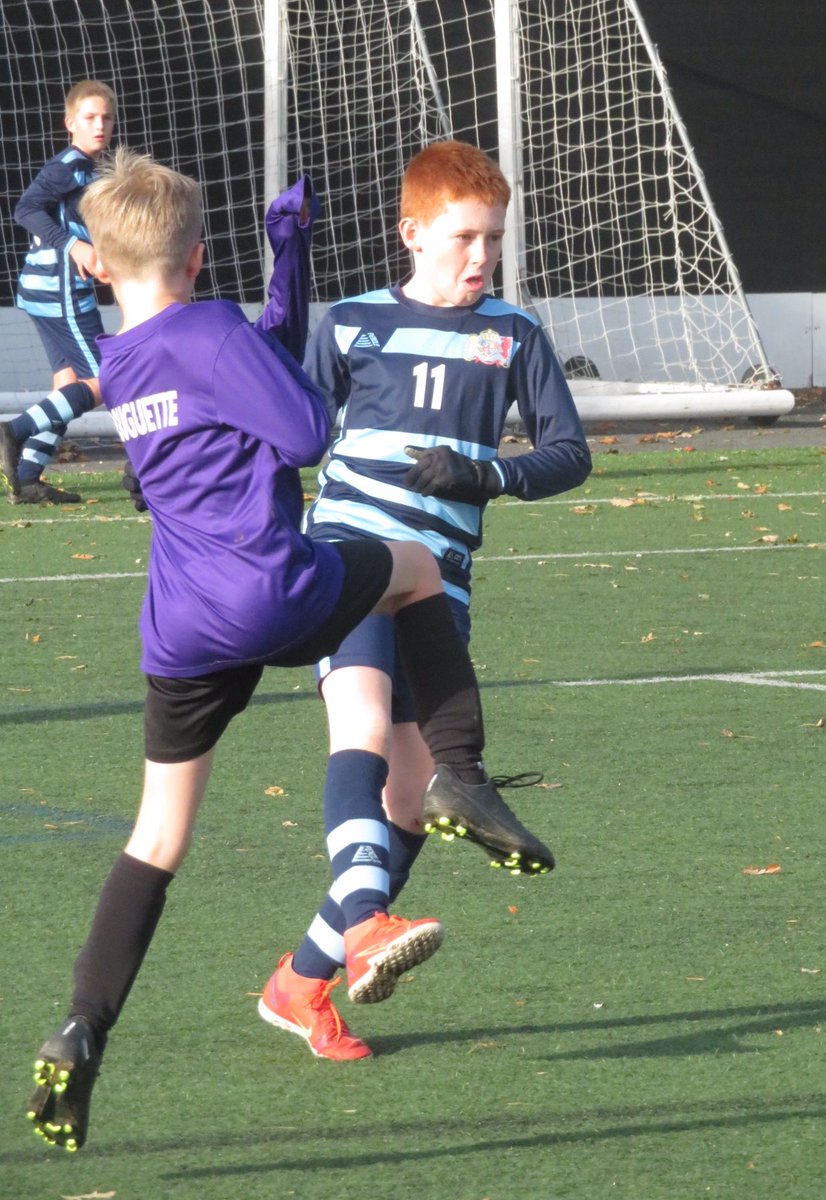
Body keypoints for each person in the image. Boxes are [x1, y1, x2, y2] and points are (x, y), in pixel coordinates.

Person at [25, 146, 538, 1152]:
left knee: (155, 839)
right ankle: (461, 778)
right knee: (413, 564)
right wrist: (279, 281)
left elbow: (225, 385)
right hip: (269, 589)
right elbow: (304, 431)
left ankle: (83, 1029)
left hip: (178, 628)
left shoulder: (117, 358)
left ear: (93, 267)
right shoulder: (212, 326)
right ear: (202, 256)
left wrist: (284, 282)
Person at [256, 140, 592, 1061]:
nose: (481, 257)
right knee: (359, 726)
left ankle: (299, 983)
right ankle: (364, 920)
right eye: (463, 238)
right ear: (411, 234)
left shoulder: (513, 335)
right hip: (351, 565)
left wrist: (484, 473)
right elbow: (288, 436)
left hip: (439, 589)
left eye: (493, 238)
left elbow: (571, 454)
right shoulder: (354, 325)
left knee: (410, 807)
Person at [0, 80, 116, 505]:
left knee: (68, 382)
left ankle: (27, 478)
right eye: (89, 118)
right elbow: (25, 208)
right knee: (110, 379)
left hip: (47, 290)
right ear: (70, 123)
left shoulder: (90, 168)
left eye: (106, 117)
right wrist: (77, 246)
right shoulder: (68, 164)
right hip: (59, 291)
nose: (99, 125)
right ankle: (14, 431)